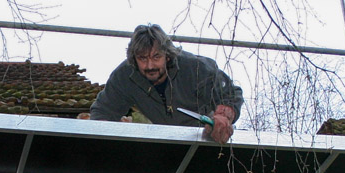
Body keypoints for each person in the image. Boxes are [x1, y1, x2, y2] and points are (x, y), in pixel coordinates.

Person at [87, 23, 243, 143]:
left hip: (205, 140)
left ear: (167, 56)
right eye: (142, 58)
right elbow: (102, 112)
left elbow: (230, 93)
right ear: (134, 59)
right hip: (164, 143)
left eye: (156, 57)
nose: (149, 66)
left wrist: (223, 116)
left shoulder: (195, 68)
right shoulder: (124, 77)